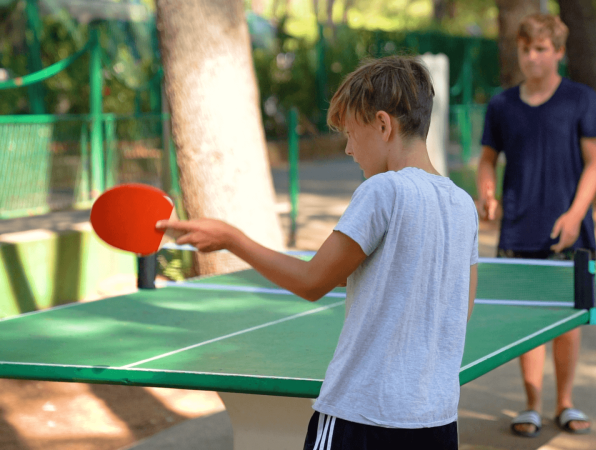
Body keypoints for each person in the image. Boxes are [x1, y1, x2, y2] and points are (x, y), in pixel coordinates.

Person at [158, 55, 479, 450]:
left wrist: (232, 239)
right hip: (435, 420)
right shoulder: (462, 204)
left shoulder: (384, 191)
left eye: (350, 133)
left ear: (382, 124)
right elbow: (457, 308)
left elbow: (313, 282)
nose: (347, 148)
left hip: (361, 417)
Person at [477, 13, 596, 437]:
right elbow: (487, 158)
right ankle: (532, 405)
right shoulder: (501, 105)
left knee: (567, 322)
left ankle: (564, 403)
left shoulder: (581, 99)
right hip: (517, 228)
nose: (531, 58)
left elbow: (595, 163)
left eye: (540, 49)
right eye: (525, 49)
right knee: (528, 323)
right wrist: (487, 191)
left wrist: (573, 215)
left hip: (571, 232)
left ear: (559, 53)